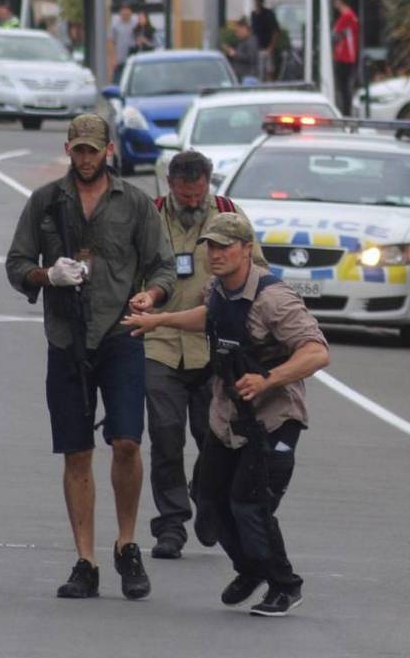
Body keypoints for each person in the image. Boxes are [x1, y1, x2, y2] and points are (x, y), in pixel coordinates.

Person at [123, 212, 330, 617]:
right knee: (209, 497)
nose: (215, 254)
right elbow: (210, 316)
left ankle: (285, 585)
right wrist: (160, 320)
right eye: (210, 247)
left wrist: (267, 379)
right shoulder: (217, 289)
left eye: (224, 246)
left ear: (246, 249)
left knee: (249, 504)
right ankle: (250, 570)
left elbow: (317, 352)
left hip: (274, 418)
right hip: (229, 415)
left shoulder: (275, 298)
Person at [5, 114, 176, 601]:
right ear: (68, 149)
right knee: (76, 451)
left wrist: (154, 297)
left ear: (108, 151)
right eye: (77, 150)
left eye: (92, 150)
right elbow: (16, 263)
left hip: (121, 333)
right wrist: (46, 276)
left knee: (126, 442)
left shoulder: (136, 203)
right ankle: (86, 559)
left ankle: (126, 544)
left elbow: (163, 265)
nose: (84, 158)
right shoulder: (44, 203)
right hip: (66, 338)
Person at [144, 151, 266, 560]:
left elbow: (259, 273)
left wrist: (227, 288)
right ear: (170, 185)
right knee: (165, 434)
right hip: (159, 342)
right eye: (184, 194)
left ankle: (207, 501)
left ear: (208, 184)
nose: (193, 202)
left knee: (213, 440)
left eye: (198, 194)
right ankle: (171, 523)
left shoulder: (230, 217)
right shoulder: (152, 215)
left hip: (213, 349)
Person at [331, 0, 359, 116]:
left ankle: (345, 112)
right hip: (348, 56)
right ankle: (346, 111)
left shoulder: (346, 17)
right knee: (345, 86)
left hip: (344, 56)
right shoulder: (351, 16)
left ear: (341, 1)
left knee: (343, 87)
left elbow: (335, 34)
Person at [250, 0, 280, 81]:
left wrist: (271, 47)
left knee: (269, 71)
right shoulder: (253, 15)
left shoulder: (268, 14)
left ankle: (271, 88)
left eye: (259, 1)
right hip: (257, 48)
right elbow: (253, 31)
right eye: (256, 1)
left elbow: (276, 31)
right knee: (258, 72)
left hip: (267, 47)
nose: (257, 3)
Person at [110, 4, 136, 83]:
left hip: (132, 59)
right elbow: (111, 42)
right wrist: (112, 59)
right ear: (120, 13)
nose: (126, 14)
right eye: (123, 12)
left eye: (127, 12)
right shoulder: (115, 26)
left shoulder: (135, 24)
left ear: (131, 12)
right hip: (119, 60)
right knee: (117, 82)